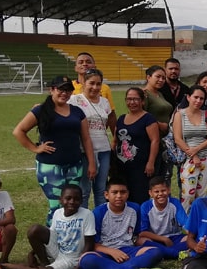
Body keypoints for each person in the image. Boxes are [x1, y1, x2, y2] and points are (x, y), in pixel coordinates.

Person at [13, 75, 96, 224]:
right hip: (50, 168)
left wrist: (91, 163)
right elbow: (19, 131)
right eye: (61, 89)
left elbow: (86, 139)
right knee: (57, 206)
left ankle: (71, 236)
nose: (64, 93)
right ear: (52, 90)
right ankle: (52, 241)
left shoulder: (77, 111)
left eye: (68, 90)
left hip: (74, 165)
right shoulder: (41, 110)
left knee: (72, 204)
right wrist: (36, 148)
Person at [1, 183, 96, 269]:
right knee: (34, 229)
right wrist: (31, 253)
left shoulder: (87, 214)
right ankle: (44, 263)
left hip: (71, 259)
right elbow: (52, 236)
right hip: (57, 250)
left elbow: (89, 245)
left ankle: (17, 267)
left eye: (76, 199)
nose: (72, 202)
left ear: (81, 201)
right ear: (61, 199)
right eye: (68, 198)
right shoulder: (58, 213)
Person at [77, 179, 165, 269]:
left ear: (127, 194)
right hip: (105, 252)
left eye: (122, 192)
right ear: (106, 195)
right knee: (87, 260)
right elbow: (93, 244)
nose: (119, 196)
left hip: (127, 251)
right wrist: (112, 251)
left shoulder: (135, 208)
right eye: (114, 192)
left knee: (156, 252)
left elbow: (135, 234)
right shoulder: (98, 212)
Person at [69, 67, 115, 207]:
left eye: (98, 84)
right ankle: (83, 224)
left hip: (104, 150)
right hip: (84, 151)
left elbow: (107, 123)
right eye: (92, 83)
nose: (95, 87)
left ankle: (100, 224)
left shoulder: (104, 102)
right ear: (84, 83)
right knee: (84, 190)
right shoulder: (74, 100)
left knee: (101, 190)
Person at [172, 84, 207, 212]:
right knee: (187, 195)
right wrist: (193, 155)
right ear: (188, 97)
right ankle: (186, 224)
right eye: (195, 97)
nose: (198, 101)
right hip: (188, 159)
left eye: (201, 98)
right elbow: (178, 139)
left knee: (202, 194)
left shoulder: (206, 114)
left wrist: (197, 149)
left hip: (206, 158)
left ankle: (199, 222)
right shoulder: (180, 115)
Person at [114, 87, 160, 204]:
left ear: (142, 101)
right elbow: (115, 141)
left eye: (135, 99)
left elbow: (155, 141)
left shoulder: (148, 118)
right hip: (122, 167)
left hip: (140, 167)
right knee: (123, 197)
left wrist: (150, 163)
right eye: (129, 99)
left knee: (139, 197)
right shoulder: (121, 119)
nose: (132, 102)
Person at [138, 176, 189, 260]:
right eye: (156, 191)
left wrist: (192, 236)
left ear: (168, 190)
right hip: (155, 239)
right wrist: (164, 239)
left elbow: (186, 224)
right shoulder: (145, 206)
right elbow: (142, 232)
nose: (160, 194)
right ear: (150, 193)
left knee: (191, 238)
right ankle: (174, 253)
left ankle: (164, 253)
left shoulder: (174, 203)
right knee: (140, 241)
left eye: (163, 190)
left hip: (175, 238)